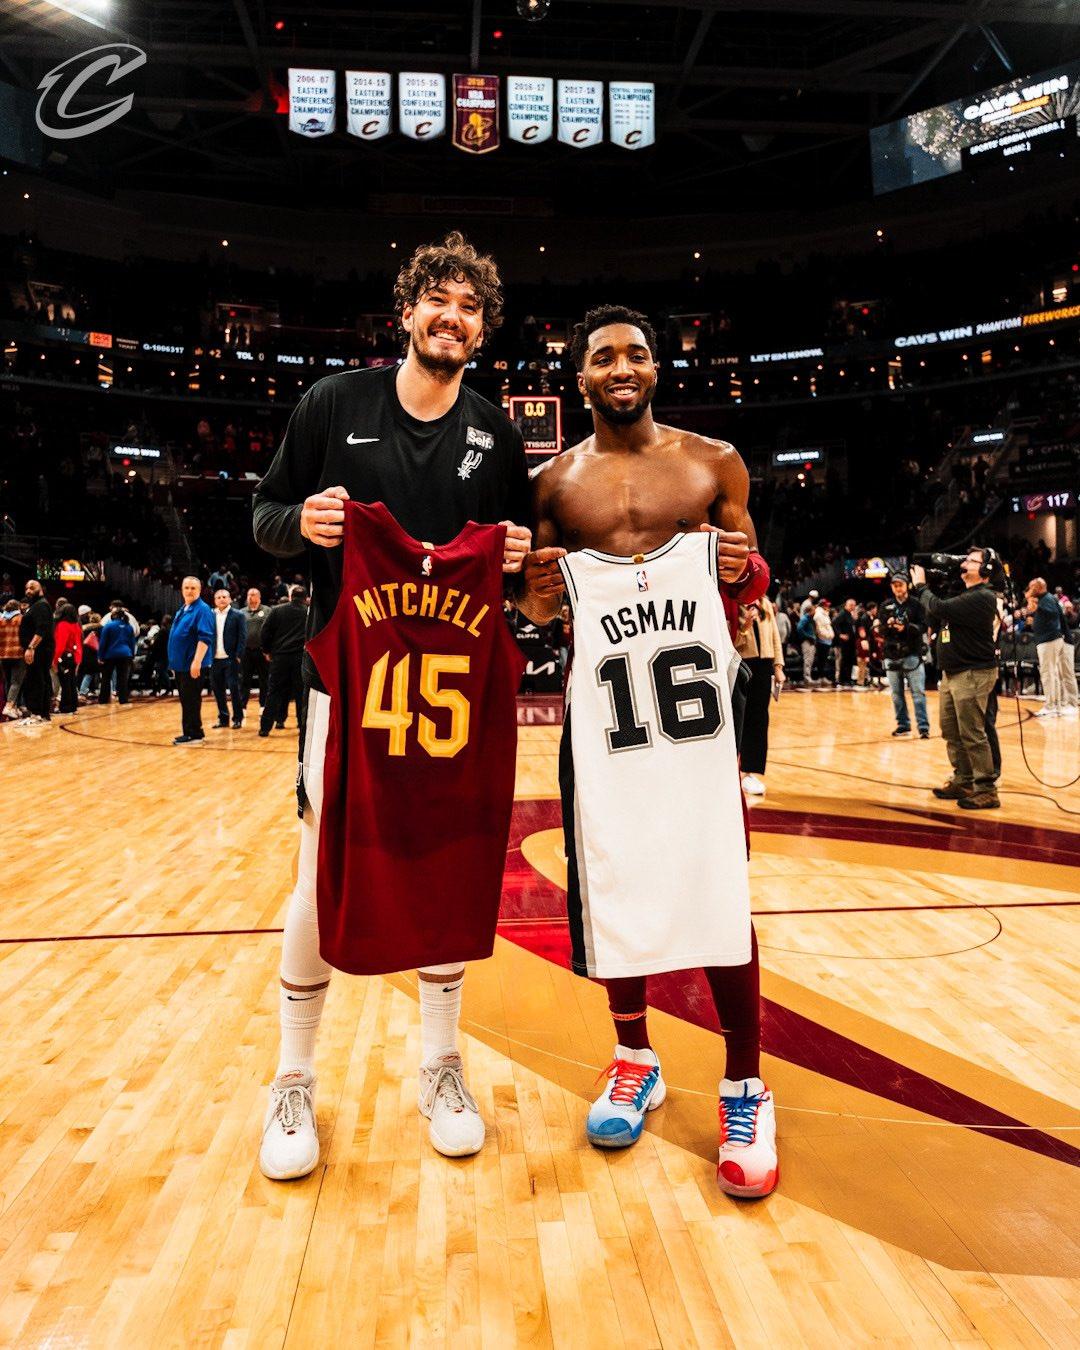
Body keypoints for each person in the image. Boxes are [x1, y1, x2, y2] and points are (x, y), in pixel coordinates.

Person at [251, 232, 532, 1178]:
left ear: (482, 330)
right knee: (317, 872)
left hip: (448, 698)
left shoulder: (496, 435)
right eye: (437, 300)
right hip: (346, 688)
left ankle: (441, 1066)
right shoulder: (333, 404)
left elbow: (524, 570)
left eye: (470, 307)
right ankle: (293, 1079)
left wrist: (520, 557)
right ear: (406, 310)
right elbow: (264, 516)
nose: (452, 318)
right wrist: (302, 523)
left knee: (444, 871)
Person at [519, 303, 777, 1199]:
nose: (620, 367)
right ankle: (635, 1059)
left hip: (698, 722)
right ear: (580, 376)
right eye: (603, 357)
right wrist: (534, 591)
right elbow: (539, 609)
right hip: (603, 720)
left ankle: (746, 1085)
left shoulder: (714, 462)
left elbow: (752, 577)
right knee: (612, 885)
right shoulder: (551, 484)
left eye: (635, 354)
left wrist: (743, 570)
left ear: (656, 368)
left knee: (719, 890)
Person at [910, 549, 1001, 809]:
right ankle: (964, 779)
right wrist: (940, 587)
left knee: (972, 732)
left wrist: (921, 587)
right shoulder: (963, 593)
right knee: (950, 729)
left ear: (985, 571)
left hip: (973, 672)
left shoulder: (983, 596)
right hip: (953, 672)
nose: (964, 563)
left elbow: (939, 608)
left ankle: (986, 789)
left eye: (971, 561)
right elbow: (934, 615)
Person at [736, 595, 785, 796]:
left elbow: (774, 635)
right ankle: (733, 770)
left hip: (764, 664)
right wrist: (745, 626)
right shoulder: (732, 600)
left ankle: (749, 772)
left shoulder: (764, 602)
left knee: (759, 719)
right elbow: (731, 640)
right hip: (742, 663)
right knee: (740, 719)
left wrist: (778, 666)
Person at [877, 571, 930, 738]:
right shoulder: (885, 606)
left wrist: (906, 628)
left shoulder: (916, 604)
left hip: (912, 653)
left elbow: (923, 626)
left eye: (900, 585)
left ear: (907, 585)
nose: (898, 588)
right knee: (896, 694)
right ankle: (903, 725)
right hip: (891, 653)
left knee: (918, 693)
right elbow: (880, 630)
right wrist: (888, 626)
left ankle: (923, 727)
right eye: (895, 585)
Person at [168, 576, 214, 744]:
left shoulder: (202, 609)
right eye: (186, 587)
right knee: (186, 700)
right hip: (181, 664)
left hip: (191, 664)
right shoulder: (184, 609)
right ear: (182, 590)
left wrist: (197, 661)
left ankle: (193, 734)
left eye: (193, 588)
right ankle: (192, 731)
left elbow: (205, 638)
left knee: (191, 700)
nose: (189, 591)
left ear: (199, 590)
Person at [258, 586, 307, 737]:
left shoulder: (277, 610)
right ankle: (303, 727)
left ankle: (265, 728)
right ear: (305, 598)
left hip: (280, 657)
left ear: (290, 596)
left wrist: (266, 650)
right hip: (301, 658)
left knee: (273, 692)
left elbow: (265, 631)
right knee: (301, 693)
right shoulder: (309, 612)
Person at [1026, 577, 1079, 718]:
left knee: (1065, 674)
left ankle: (1071, 704)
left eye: (1031, 587)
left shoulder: (1047, 599)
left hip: (1061, 639)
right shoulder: (1045, 600)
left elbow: (1054, 616)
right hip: (1057, 639)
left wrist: (1036, 606)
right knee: (1057, 674)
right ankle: (1060, 704)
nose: (1029, 590)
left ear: (1038, 587)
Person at [209, 587, 247, 728]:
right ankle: (223, 718)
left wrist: (238, 656)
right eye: (218, 597)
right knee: (217, 690)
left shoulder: (238, 615)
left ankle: (237, 718)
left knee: (234, 689)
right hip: (214, 659)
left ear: (230, 599)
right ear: (215, 600)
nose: (222, 599)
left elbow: (243, 637)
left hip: (231, 659)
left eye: (224, 597)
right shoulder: (210, 615)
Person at [19, 579, 55, 723]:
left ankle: (37, 714)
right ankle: (42, 714)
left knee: (36, 680)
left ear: (40, 589)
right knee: (40, 679)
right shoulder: (36, 605)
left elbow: (42, 629)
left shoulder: (41, 605)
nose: (28, 590)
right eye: (26, 588)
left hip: (39, 650)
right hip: (39, 649)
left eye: (32, 587)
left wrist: (31, 647)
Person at [96, 604, 136, 705]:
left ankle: (103, 699)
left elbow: (103, 642)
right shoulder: (129, 626)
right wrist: (132, 655)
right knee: (122, 678)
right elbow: (132, 643)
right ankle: (123, 699)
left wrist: (100, 656)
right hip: (126, 654)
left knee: (106, 677)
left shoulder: (108, 626)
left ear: (113, 615)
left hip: (110, 655)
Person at [238, 587, 271, 709]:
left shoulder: (267, 611)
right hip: (246, 651)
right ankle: (242, 707)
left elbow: (272, 630)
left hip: (262, 651)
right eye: (249, 594)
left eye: (253, 594)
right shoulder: (241, 612)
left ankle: (263, 706)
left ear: (259, 597)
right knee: (244, 680)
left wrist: (269, 650)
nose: (250, 597)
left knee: (264, 680)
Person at [53, 603, 83, 714]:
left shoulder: (62, 625)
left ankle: (66, 706)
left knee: (65, 683)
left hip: (64, 657)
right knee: (71, 682)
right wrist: (78, 660)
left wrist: (55, 660)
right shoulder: (76, 625)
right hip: (73, 657)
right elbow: (78, 644)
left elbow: (60, 645)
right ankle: (72, 705)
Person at [0, 598, 23, 717]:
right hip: (18, 654)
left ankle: (14, 707)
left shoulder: (1, 620)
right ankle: (9, 707)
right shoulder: (20, 619)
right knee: (16, 682)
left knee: (8, 681)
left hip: (3, 655)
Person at [833, 597, 857, 687]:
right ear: (846, 605)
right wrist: (840, 634)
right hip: (844, 642)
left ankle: (848, 678)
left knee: (850, 660)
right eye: (851, 605)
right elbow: (834, 623)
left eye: (854, 605)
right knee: (844, 660)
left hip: (851, 641)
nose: (853, 607)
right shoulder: (842, 613)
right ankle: (842, 679)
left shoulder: (850, 614)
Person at [813, 597, 835, 685]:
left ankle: (822, 677)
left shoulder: (825, 614)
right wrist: (827, 636)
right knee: (821, 660)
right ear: (823, 606)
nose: (828, 607)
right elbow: (819, 629)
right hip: (822, 640)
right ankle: (820, 677)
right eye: (826, 605)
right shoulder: (818, 615)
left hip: (827, 640)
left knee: (824, 660)